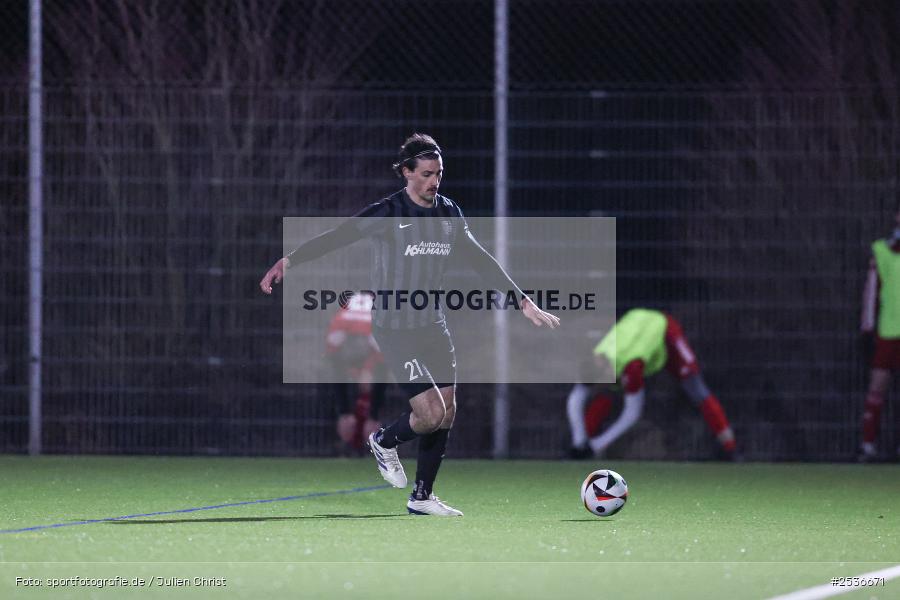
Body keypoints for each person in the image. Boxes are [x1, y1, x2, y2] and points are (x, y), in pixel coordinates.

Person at [260, 133, 560, 516]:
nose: (435, 181)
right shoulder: (388, 213)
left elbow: (480, 259)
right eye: (426, 174)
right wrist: (289, 261)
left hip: (433, 325)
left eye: (439, 173)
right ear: (406, 173)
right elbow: (339, 237)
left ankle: (422, 497)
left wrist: (521, 299)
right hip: (395, 329)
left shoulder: (449, 212)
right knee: (429, 414)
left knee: (448, 411)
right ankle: (383, 440)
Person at [566, 308, 737, 459]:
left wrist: (598, 445)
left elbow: (632, 413)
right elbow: (576, 396)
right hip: (635, 319)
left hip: (664, 330)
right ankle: (581, 449)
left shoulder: (631, 366)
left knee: (696, 388)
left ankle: (730, 448)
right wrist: (578, 441)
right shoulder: (596, 358)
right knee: (607, 394)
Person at [858, 208, 900, 462]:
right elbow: (871, 291)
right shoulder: (882, 251)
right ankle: (867, 445)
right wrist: (867, 326)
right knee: (877, 389)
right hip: (888, 331)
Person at [326, 292, 386, 454]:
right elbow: (338, 370)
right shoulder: (336, 335)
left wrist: (372, 416)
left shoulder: (378, 332)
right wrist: (345, 413)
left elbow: (382, 372)